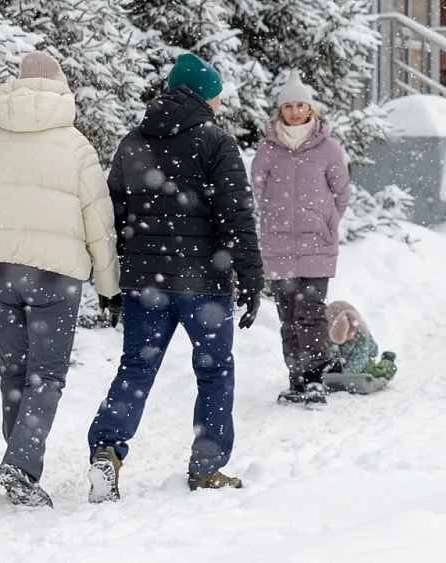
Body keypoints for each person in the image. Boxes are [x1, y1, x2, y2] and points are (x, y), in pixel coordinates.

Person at [0, 51, 121, 508]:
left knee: (15, 369)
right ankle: (20, 465)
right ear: (60, 86)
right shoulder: (75, 145)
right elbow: (99, 222)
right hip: (53, 275)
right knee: (47, 375)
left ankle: (18, 459)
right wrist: (109, 286)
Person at [86, 53, 265, 503]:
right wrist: (251, 278)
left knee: (136, 368)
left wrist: (111, 279)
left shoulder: (133, 141)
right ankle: (206, 467)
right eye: (217, 96)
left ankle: (106, 450)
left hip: (145, 280)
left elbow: (112, 217)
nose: (220, 104)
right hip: (203, 282)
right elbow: (236, 217)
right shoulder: (216, 143)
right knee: (215, 371)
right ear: (204, 96)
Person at [250, 71, 351, 405]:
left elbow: (342, 191)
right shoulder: (268, 149)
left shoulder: (328, 148)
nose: (295, 112)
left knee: (310, 312)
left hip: (316, 244)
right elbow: (258, 189)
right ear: (280, 110)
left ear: (310, 109)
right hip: (279, 245)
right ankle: (296, 379)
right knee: (289, 318)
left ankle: (315, 378)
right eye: (288, 106)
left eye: (300, 106)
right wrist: (273, 216)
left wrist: (328, 221)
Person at [325, 300, 396, 380]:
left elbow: (359, 358)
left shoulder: (362, 334)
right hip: (342, 359)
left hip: (363, 357)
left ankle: (387, 361)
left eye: (353, 332)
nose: (352, 335)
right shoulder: (327, 332)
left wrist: (345, 376)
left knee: (372, 372)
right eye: (348, 334)